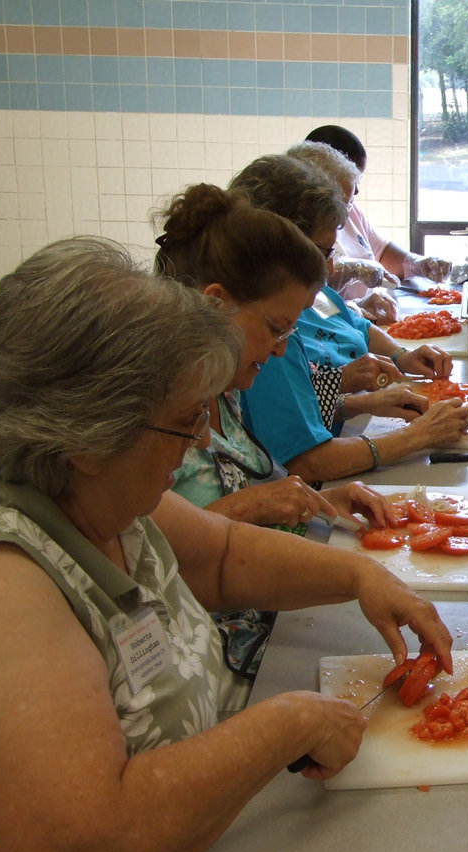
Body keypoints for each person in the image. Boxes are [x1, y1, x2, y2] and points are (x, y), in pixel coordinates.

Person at [0, 237, 454, 852]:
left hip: (212, 850)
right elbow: (90, 849)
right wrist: (287, 724)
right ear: (89, 436)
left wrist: (360, 578)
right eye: (184, 421)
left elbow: (225, 557)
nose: (204, 439)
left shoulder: (90, 490)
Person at [154, 184, 403, 703]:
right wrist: (255, 505)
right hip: (201, 665)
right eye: (275, 327)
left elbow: (227, 538)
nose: (285, 347)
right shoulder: (146, 416)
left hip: (262, 622)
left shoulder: (227, 387)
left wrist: (316, 504)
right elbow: (153, 554)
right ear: (215, 303)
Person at [230, 155, 468, 482]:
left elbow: (297, 408)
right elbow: (305, 460)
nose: (331, 269)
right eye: (325, 252)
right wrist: (420, 436)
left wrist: (358, 401)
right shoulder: (268, 333)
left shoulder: (292, 307)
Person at [304, 124, 452, 315]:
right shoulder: (300, 225)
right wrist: (354, 308)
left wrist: (418, 263)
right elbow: (308, 306)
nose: (356, 190)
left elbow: (381, 252)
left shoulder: (349, 210)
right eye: (352, 180)